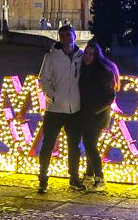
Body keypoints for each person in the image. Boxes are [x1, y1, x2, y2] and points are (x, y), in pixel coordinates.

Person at [36, 24, 84, 194]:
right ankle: (43, 177)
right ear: (59, 38)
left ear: (74, 36)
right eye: (62, 35)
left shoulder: (81, 56)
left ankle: (74, 176)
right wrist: (52, 96)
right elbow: (43, 80)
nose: (66, 38)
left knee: (74, 146)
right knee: (48, 144)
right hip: (54, 109)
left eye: (68, 34)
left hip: (75, 110)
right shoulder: (51, 57)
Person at [78, 41, 120, 192]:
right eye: (86, 53)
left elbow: (110, 96)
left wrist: (94, 110)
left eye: (91, 54)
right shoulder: (84, 69)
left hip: (97, 115)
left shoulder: (104, 71)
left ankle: (100, 178)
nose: (88, 56)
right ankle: (89, 174)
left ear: (97, 56)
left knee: (90, 145)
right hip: (86, 113)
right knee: (89, 144)